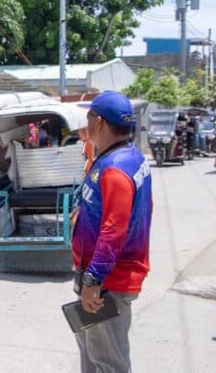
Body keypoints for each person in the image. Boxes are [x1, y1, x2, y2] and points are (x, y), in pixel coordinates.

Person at [72, 91, 153, 373]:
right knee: (91, 350)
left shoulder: (115, 169)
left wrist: (93, 280)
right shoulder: (129, 158)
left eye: (89, 117)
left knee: (108, 360)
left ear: (101, 123)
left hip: (107, 281)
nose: (85, 124)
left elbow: (114, 231)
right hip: (98, 275)